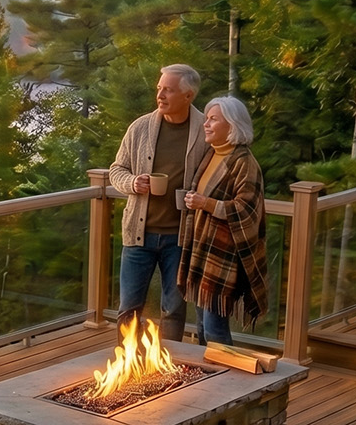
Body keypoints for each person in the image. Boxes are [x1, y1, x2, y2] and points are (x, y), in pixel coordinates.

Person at [107, 64, 207, 341]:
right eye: (159, 89)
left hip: (181, 238)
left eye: (168, 90)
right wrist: (132, 183)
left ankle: (172, 367)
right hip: (139, 236)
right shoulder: (140, 127)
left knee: (174, 309)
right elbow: (117, 169)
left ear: (188, 96)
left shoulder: (204, 131)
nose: (160, 95)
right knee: (129, 308)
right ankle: (126, 366)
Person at [178, 96, 268, 346]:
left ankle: (227, 380)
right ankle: (206, 376)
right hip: (203, 252)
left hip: (224, 257)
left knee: (214, 329)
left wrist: (204, 203)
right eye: (206, 118)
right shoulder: (211, 154)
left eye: (213, 119)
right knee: (203, 327)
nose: (206, 124)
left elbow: (246, 209)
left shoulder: (244, 162)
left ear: (233, 125)